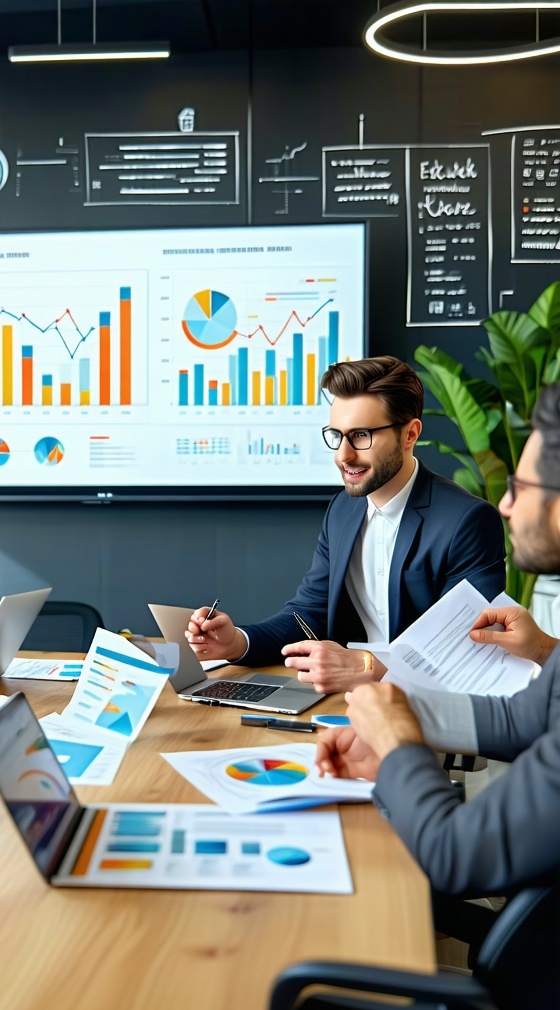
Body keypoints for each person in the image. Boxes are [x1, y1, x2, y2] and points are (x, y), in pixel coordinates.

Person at [315, 381, 560, 928]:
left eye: (521, 485)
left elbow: (456, 856)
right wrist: (399, 719)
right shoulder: (342, 512)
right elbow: (525, 716)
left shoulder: (460, 516)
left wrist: (399, 746)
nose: (504, 503)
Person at [185, 355, 506, 693]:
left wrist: (368, 667)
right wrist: (238, 642)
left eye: (362, 435)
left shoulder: (467, 521)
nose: (343, 455)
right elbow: (309, 614)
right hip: (346, 699)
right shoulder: (343, 509)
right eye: (337, 436)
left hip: (422, 709)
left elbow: (468, 649)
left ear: (410, 434)